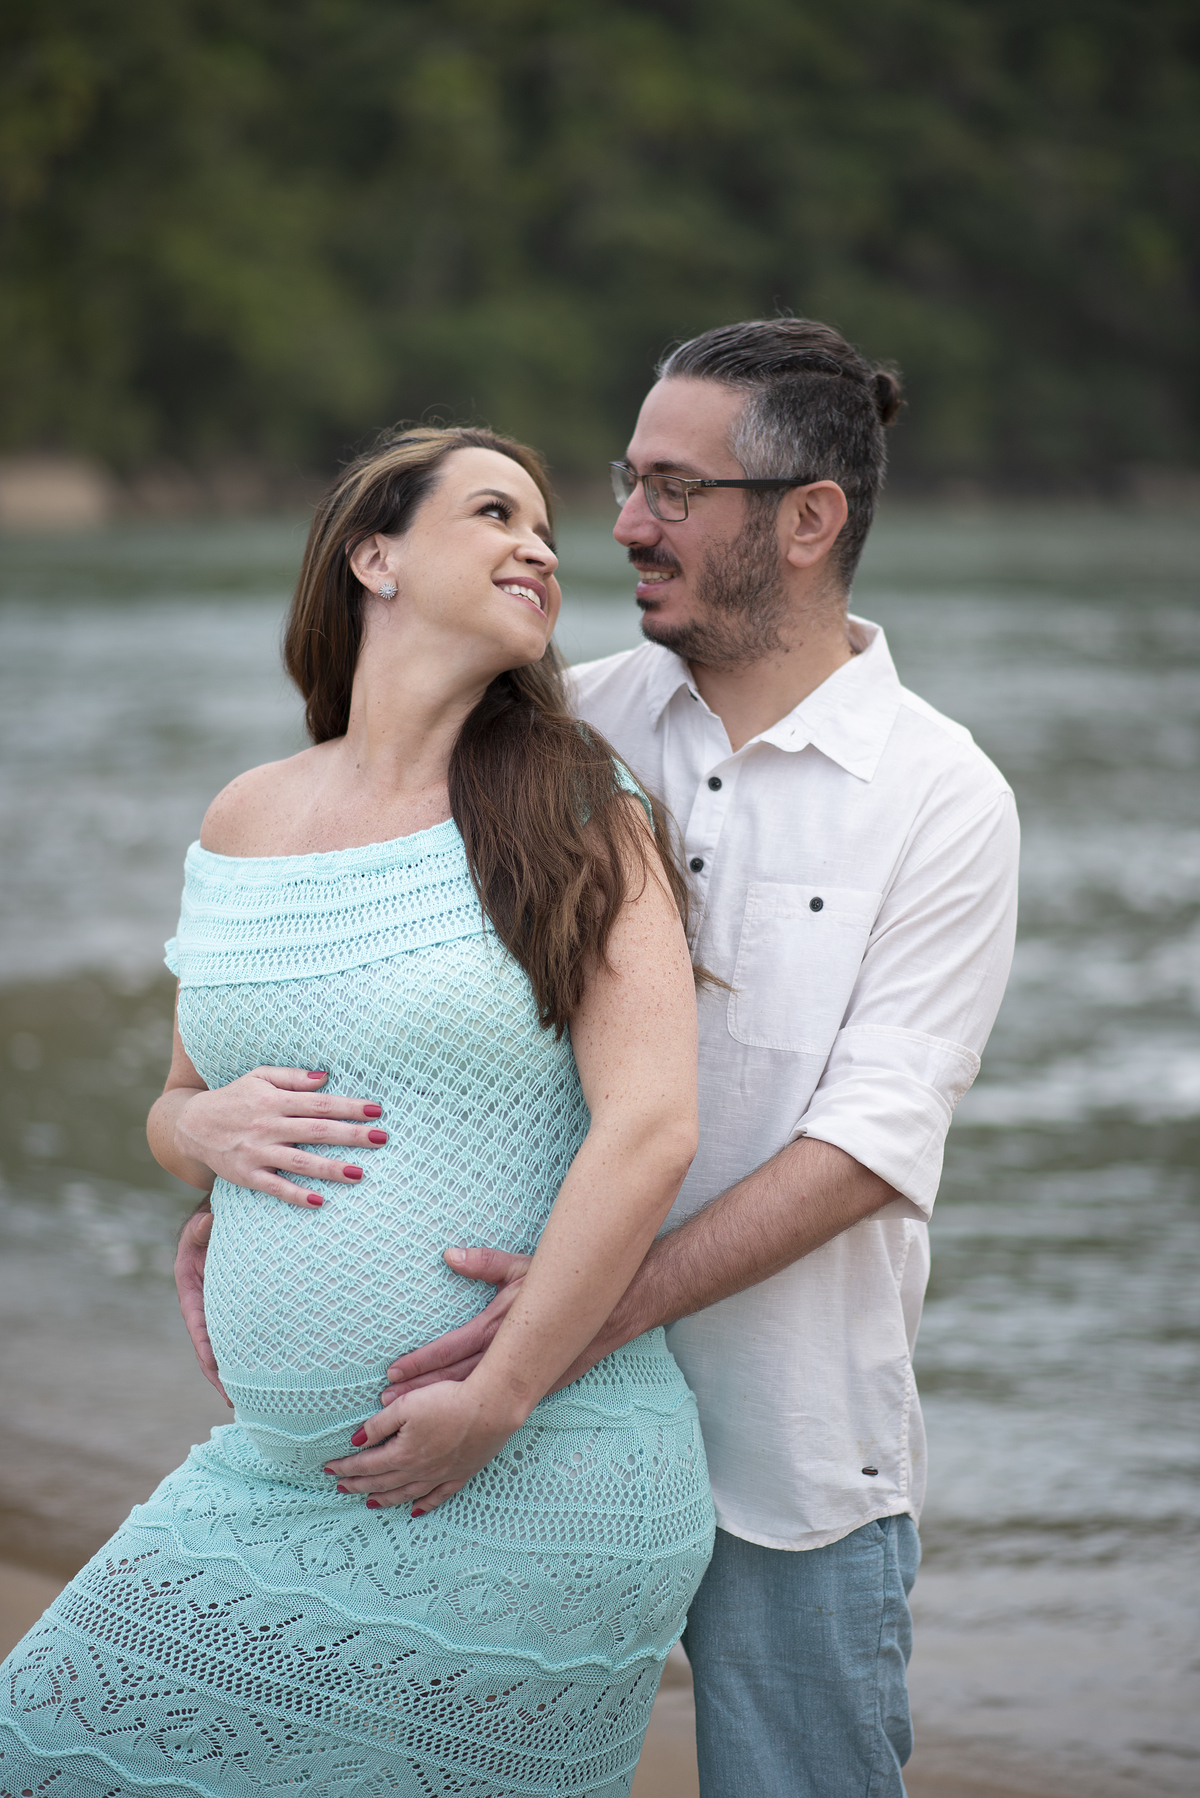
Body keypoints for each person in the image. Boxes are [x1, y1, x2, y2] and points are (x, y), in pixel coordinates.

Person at [201, 318, 1012, 1797]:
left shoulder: (941, 797)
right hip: (514, 1435)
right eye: (627, 483)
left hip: (786, 1441)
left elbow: (869, 1148)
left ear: (809, 518)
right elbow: (362, 980)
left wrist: (576, 1324)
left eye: (675, 490)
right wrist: (228, 1195)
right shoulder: (560, 721)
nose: (625, 524)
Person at [0, 427, 716, 1798]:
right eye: (495, 511)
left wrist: (499, 1396)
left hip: (539, 1466)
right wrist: (194, 1135)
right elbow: (179, 1102)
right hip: (277, 1477)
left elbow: (652, 1127)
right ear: (373, 555)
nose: (541, 547)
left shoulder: (577, 807)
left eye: (549, 530)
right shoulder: (246, 816)